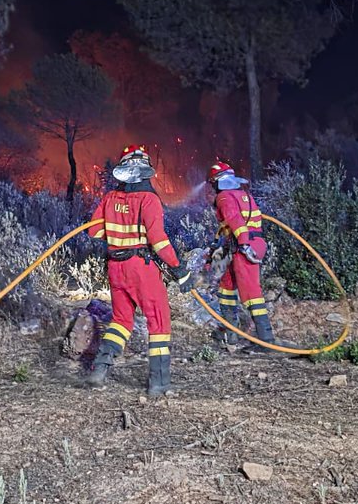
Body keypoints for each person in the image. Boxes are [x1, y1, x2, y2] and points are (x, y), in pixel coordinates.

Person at [85, 145, 192, 396]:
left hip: (115, 267)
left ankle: (100, 369)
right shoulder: (148, 199)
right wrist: (179, 269)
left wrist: (117, 235)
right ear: (145, 171)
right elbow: (159, 239)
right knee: (159, 321)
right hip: (140, 268)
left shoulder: (110, 198)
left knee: (122, 320)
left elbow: (94, 231)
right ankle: (159, 383)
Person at [207, 159, 275, 346]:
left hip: (245, 247)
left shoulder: (224, 197)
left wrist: (244, 245)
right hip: (246, 244)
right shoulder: (244, 195)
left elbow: (235, 221)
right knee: (226, 286)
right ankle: (232, 333)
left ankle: (266, 340)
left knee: (251, 292)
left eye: (212, 184)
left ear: (217, 181)